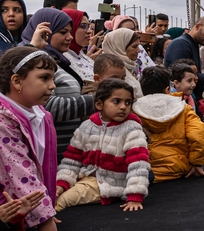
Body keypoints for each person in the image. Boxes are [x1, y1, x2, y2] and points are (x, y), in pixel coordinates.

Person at [0, 47, 66, 231]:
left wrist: (47, 209)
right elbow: (20, 172)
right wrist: (45, 220)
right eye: (44, 78)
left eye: (52, 78)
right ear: (17, 81)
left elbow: (42, 166)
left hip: (25, 206)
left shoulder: (38, 113)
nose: (52, 86)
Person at [55, 78, 150, 212]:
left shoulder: (131, 128)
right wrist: (61, 183)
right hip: (83, 178)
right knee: (50, 192)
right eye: (116, 101)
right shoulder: (86, 126)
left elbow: (138, 164)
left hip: (108, 185)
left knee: (62, 200)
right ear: (99, 105)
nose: (123, 106)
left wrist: (135, 195)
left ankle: (46, 219)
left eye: (128, 102)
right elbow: (72, 160)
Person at [21, 9, 96, 157]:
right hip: (51, 153)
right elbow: (47, 107)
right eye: (63, 32)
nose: (70, 37)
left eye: (70, 31)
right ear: (43, 34)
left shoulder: (58, 60)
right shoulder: (35, 62)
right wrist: (96, 100)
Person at [132, 67, 204, 182]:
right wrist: (197, 162)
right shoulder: (183, 108)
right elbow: (198, 136)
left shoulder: (134, 110)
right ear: (167, 89)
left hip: (148, 172)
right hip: (179, 169)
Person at [100, 28, 144, 98]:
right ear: (120, 47)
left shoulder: (129, 67)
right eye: (134, 46)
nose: (138, 50)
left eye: (138, 46)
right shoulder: (113, 70)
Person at [61, 9, 97, 83]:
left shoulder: (81, 56)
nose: (89, 31)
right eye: (83, 26)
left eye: (89, 26)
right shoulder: (62, 60)